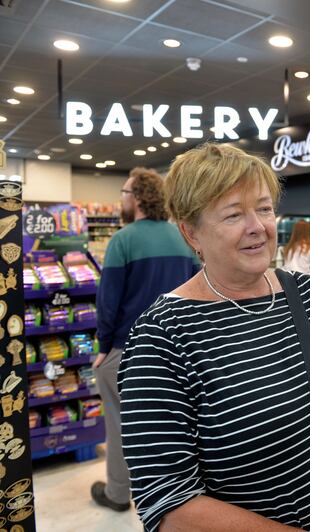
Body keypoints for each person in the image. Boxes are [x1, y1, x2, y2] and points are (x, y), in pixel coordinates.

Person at [118, 143, 310, 532]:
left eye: (264, 208)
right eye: (233, 214)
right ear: (191, 233)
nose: (258, 226)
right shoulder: (163, 336)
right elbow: (168, 503)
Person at [92, 167, 198, 512]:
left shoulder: (123, 240)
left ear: (137, 197)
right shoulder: (183, 238)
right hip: (180, 352)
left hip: (128, 350)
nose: (121, 199)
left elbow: (108, 301)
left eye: (124, 192)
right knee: (174, 428)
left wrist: (103, 347)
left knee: (120, 424)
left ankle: (118, 494)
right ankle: (172, 496)